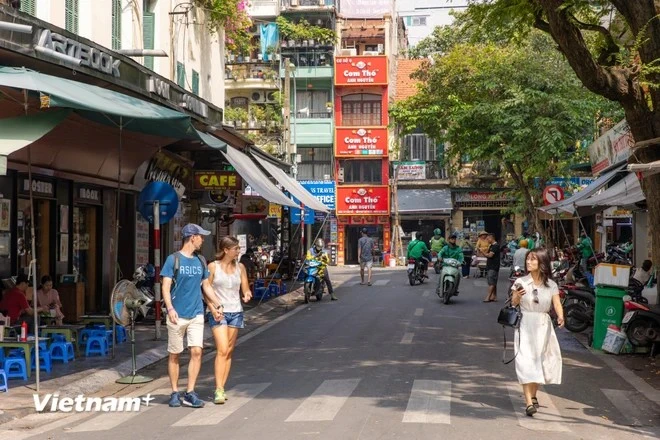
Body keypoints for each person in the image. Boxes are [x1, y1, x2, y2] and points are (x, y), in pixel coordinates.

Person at [161, 223, 224, 409]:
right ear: (192, 237)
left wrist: (218, 305)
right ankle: (174, 391)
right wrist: (170, 309)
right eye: (200, 236)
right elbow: (165, 287)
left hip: (197, 312)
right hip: (177, 314)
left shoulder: (201, 260)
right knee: (175, 354)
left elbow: (206, 286)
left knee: (196, 351)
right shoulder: (173, 260)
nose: (202, 240)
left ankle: (190, 392)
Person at [510, 248, 564, 417]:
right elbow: (513, 304)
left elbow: (556, 303)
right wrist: (517, 296)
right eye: (528, 260)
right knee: (525, 361)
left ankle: (533, 395)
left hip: (543, 325)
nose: (529, 262)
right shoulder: (520, 281)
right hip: (525, 323)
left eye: (533, 260)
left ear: (542, 263)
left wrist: (561, 317)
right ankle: (528, 402)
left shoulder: (551, 285)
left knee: (539, 361)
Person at [207, 236, 253, 405]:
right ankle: (218, 389)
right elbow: (206, 290)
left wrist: (247, 294)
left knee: (229, 351)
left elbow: (245, 287)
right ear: (226, 250)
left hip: (236, 311)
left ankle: (222, 387)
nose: (238, 251)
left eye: (238, 248)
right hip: (219, 313)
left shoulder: (240, 267)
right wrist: (212, 308)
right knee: (222, 349)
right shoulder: (213, 267)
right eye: (235, 249)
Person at [483, 233, 501, 302]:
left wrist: (483, 253)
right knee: (493, 282)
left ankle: (488, 297)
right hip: (491, 265)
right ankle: (494, 296)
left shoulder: (495, 246)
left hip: (493, 266)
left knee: (491, 282)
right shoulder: (491, 246)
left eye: (488, 239)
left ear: (491, 238)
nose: (487, 240)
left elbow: (490, 255)